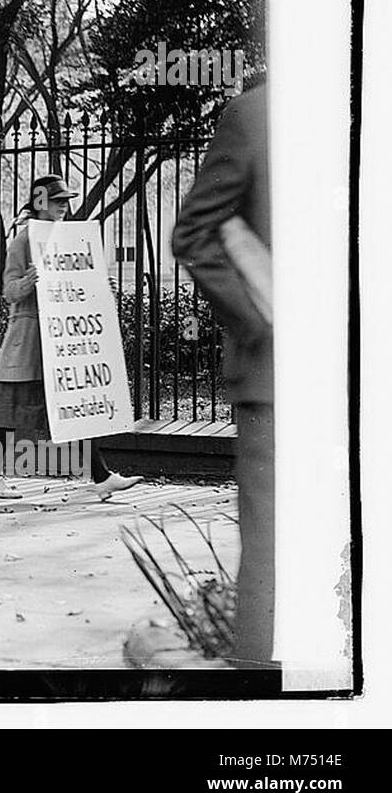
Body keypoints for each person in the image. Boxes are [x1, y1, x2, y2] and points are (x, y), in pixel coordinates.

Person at [171, 82, 273, 666]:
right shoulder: (258, 113)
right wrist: (263, 323)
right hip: (278, 377)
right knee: (274, 549)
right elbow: (196, 232)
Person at [0, 175, 143, 501]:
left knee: (80, 403)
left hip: (64, 342)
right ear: (40, 201)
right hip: (28, 342)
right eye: (58, 200)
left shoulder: (72, 239)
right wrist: (28, 280)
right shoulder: (24, 241)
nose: (64, 206)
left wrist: (100, 287)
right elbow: (9, 291)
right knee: (10, 413)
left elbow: (80, 284)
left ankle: (101, 476)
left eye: (66, 200)